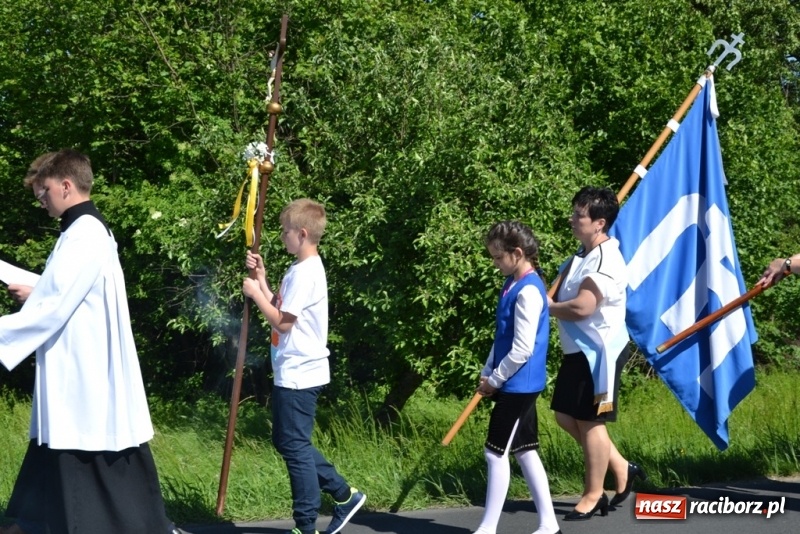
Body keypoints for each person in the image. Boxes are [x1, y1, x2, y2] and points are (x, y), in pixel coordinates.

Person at [0, 149, 181, 534]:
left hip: (84, 375)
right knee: (65, 458)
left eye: (44, 191)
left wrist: (36, 300)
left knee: (85, 453)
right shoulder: (83, 231)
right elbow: (67, 295)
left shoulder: (84, 235)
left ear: (66, 186)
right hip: (82, 368)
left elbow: (52, 307)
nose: (41, 200)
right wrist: (39, 290)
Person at [242, 198, 366, 534]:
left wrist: (254, 294)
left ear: (302, 232)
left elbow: (282, 323)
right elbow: (282, 308)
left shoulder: (305, 273)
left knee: (294, 447)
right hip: (293, 370)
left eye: (285, 232)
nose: (281, 237)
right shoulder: (300, 270)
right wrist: (263, 281)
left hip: (300, 373)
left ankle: (306, 524)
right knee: (287, 442)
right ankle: (343, 495)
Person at [547, 186, 645, 521]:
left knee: (590, 423)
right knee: (565, 415)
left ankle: (593, 494)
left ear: (599, 223)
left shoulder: (606, 259)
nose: (572, 219)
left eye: (579, 215)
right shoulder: (582, 254)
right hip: (578, 352)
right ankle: (621, 467)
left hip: (599, 354)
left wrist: (549, 307)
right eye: (574, 211)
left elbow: (584, 307)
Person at [472, 221, 561, 534]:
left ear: (518, 253)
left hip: (519, 384)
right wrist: (487, 371)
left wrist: (495, 381)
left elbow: (522, 350)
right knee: (525, 450)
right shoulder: (511, 283)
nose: (495, 263)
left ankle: (487, 528)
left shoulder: (529, 291)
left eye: (498, 257)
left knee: (494, 453)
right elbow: (503, 338)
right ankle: (549, 524)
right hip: (512, 381)